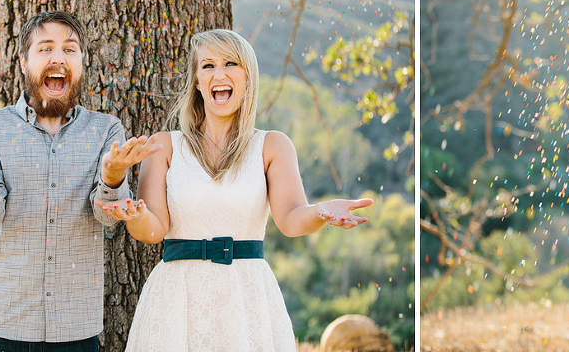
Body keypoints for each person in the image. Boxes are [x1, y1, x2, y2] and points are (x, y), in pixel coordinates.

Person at [95, 29, 373, 351]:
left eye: (230, 63)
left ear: (247, 78)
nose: (219, 73)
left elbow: (291, 218)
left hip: (247, 298)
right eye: (208, 66)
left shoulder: (272, 145)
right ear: (197, 82)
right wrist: (136, 215)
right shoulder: (163, 146)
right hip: (176, 299)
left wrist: (321, 213)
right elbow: (153, 231)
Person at [0, 11, 158, 352]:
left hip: (74, 331)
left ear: (82, 62)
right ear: (24, 61)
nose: (58, 58)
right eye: (45, 48)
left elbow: (108, 218)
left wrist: (113, 175)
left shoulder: (106, 130)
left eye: (70, 49)